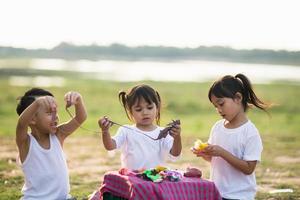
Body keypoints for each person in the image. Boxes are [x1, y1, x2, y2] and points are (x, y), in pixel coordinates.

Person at [192, 74, 270, 200]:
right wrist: (205, 154)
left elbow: (249, 168)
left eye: (221, 104)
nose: (218, 110)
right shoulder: (217, 127)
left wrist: (222, 152)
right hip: (217, 193)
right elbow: (215, 159)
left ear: (238, 98)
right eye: (215, 106)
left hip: (239, 195)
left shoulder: (249, 132)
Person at [16, 88, 87, 200]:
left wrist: (78, 100)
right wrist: (37, 103)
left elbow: (80, 118)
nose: (56, 117)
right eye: (49, 113)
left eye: (55, 112)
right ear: (32, 119)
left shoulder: (58, 135)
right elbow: (21, 123)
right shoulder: (26, 143)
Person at [98, 84, 182, 170]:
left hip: (157, 179)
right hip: (133, 179)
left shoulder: (163, 133)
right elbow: (110, 146)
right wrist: (105, 131)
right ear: (131, 111)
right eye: (138, 109)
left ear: (157, 107)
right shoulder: (126, 131)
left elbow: (175, 154)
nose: (145, 112)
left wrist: (177, 137)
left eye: (149, 108)